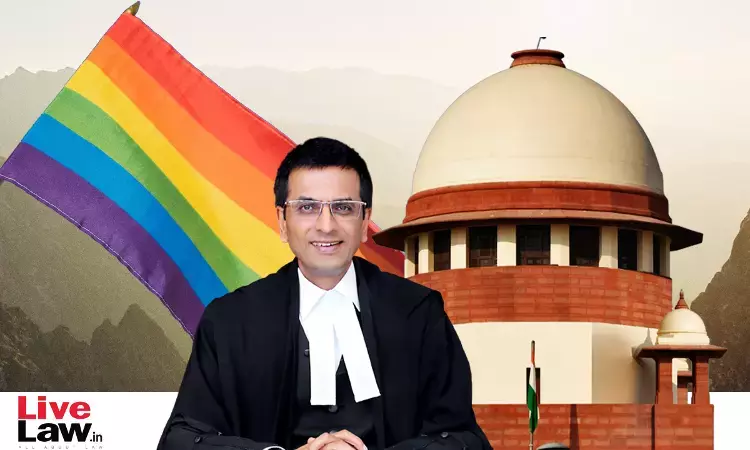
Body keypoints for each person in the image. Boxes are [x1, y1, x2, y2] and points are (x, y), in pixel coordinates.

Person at [156, 137, 492, 450]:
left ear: (365, 221)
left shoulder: (418, 313)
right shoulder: (230, 320)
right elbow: (181, 439)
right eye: (307, 207)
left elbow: (464, 439)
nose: (326, 225)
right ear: (282, 221)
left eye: (343, 207)